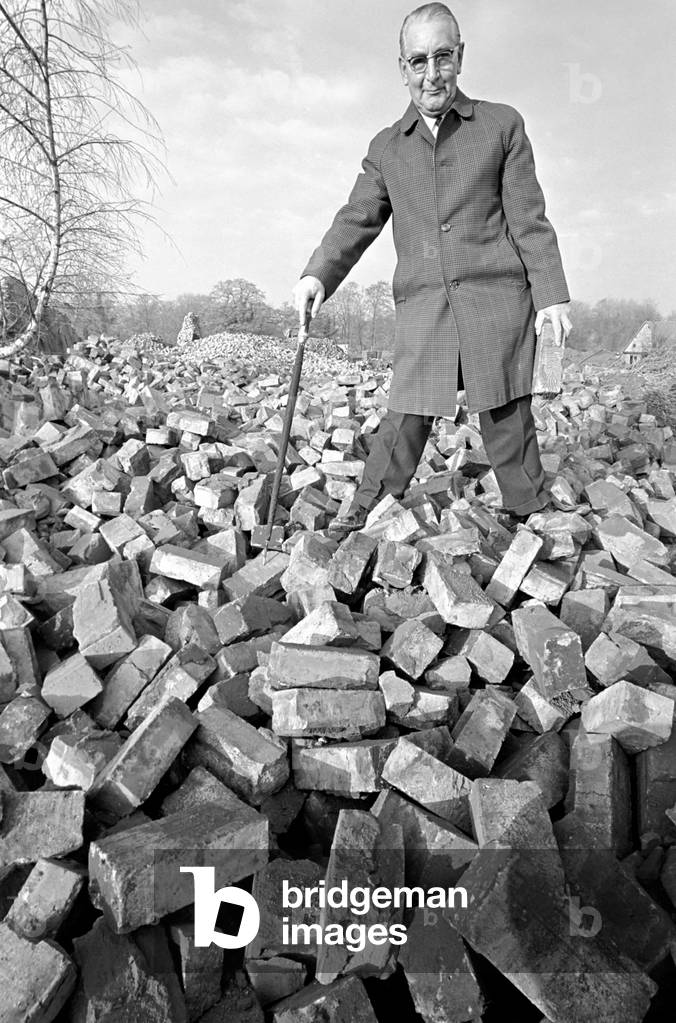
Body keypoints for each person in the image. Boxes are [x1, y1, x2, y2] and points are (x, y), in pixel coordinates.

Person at [293, 2, 572, 538]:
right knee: (407, 414)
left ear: (460, 57)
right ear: (402, 68)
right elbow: (357, 218)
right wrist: (317, 276)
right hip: (425, 303)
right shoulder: (386, 147)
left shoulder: (501, 125)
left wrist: (551, 295)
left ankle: (531, 513)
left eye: (442, 57)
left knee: (505, 407)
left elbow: (529, 219)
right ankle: (364, 515)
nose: (431, 74)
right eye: (418, 61)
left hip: (496, 297)